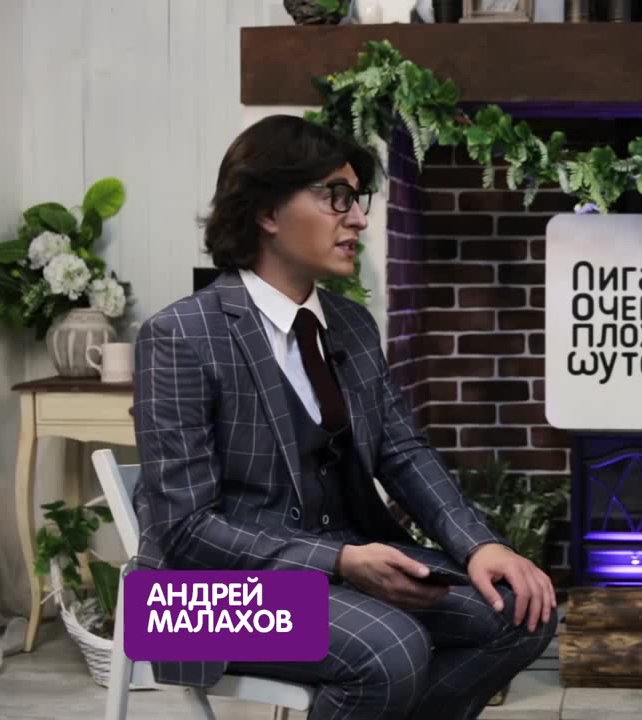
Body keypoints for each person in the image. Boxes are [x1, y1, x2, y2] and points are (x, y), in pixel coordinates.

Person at [131, 115, 556, 720]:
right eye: (336, 197)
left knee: (520, 609)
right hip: (197, 599)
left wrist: (479, 545)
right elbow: (185, 529)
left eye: (358, 199)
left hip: (335, 563)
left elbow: (402, 451)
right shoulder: (181, 335)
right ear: (267, 211)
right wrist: (339, 562)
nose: (357, 219)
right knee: (391, 649)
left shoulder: (350, 325)